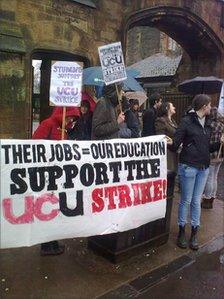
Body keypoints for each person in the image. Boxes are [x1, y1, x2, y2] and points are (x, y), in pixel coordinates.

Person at [169, 94, 222, 250]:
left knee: (196, 201)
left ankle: (194, 232)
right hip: (188, 166)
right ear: (204, 106)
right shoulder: (186, 121)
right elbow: (175, 144)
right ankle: (181, 232)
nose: (211, 107)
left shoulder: (208, 123)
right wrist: (168, 142)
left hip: (203, 167)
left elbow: (207, 148)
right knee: (186, 200)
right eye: (210, 105)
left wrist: (219, 143)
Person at [32, 106, 80, 255]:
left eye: (73, 119)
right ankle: (46, 246)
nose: (71, 121)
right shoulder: (48, 124)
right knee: (47, 209)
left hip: (55, 175)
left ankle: (51, 242)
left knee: (53, 209)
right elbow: (35, 144)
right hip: (46, 174)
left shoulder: (63, 129)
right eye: (70, 117)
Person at [202, 107, 224, 209]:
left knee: (209, 177)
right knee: (214, 177)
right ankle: (212, 198)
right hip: (220, 155)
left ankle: (207, 199)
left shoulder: (209, 125)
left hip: (211, 154)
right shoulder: (221, 125)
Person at [155, 102, 178, 172]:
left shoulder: (173, 121)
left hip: (174, 152)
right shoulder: (161, 121)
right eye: (172, 106)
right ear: (167, 108)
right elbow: (161, 137)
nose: (174, 108)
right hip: (167, 153)